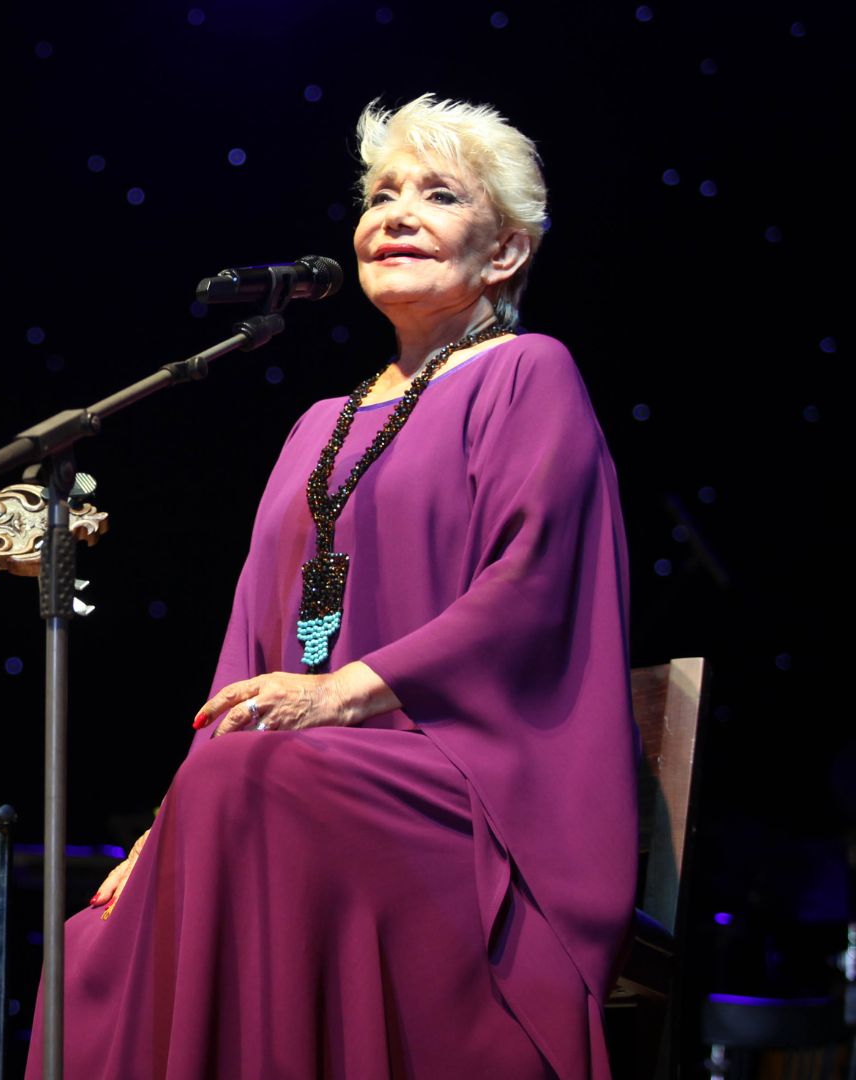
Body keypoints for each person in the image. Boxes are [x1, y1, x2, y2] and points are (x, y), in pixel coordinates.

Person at [32, 96, 636, 1078]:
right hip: (302, 776)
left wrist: (345, 692)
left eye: (438, 195)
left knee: (250, 782)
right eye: (381, 195)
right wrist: (170, 821)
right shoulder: (320, 424)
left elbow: (528, 590)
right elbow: (251, 645)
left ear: (506, 253)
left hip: (465, 779)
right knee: (92, 941)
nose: (396, 215)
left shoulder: (529, 374)